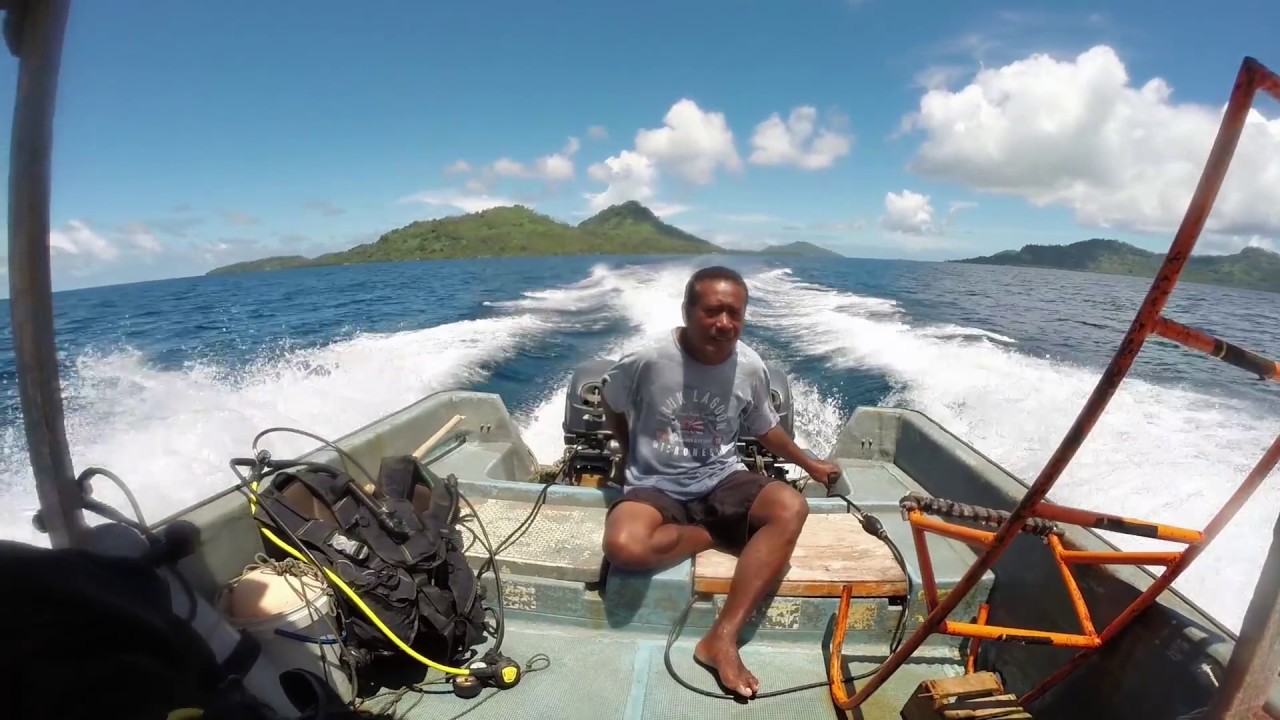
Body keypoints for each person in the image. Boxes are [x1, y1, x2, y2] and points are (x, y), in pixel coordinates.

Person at [599, 265, 842, 699]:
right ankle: (715, 534)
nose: (725, 324)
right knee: (623, 546)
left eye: (735, 313)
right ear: (687, 312)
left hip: (721, 476)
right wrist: (625, 453)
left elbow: (765, 428)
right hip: (655, 483)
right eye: (712, 311)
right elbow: (611, 401)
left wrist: (811, 465)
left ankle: (721, 639)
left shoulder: (750, 366)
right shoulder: (648, 359)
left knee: (791, 508)